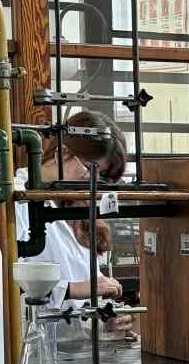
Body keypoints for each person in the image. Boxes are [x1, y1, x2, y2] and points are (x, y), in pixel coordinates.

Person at [14, 111, 135, 333]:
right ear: (63, 154)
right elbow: (10, 282)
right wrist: (73, 289)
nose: (94, 183)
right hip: (31, 342)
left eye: (103, 177)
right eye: (90, 170)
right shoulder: (17, 198)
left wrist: (105, 320)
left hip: (73, 344)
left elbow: (85, 293)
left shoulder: (75, 205)